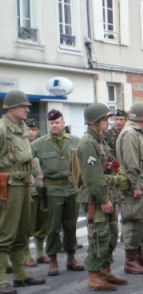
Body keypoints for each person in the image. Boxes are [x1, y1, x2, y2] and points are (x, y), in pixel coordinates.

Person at [0, 91, 46, 294]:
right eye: (23, 106)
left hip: (24, 184)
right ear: (10, 108)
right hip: (8, 185)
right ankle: (1, 278)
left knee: (22, 231)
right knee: (4, 233)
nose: (27, 109)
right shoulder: (2, 129)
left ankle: (20, 274)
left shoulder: (22, 128)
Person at [78, 103, 128, 291]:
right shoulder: (88, 143)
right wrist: (103, 199)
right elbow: (92, 176)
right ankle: (94, 275)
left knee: (112, 234)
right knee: (99, 236)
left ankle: (104, 269)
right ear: (95, 122)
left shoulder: (100, 140)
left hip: (107, 194)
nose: (108, 122)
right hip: (96, 199)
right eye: (105, 119)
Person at [31, 110, 84, 276]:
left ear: (63, 123)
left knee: (70, 225)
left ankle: (71, 258)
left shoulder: (75, 141)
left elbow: (84, 161)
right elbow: (26, 159)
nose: (54, 125)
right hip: (52, 190)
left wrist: (81, 182)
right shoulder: (39, 144)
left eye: (57, 122)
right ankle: (53, 260)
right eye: (51, 123)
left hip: (71, 189)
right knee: (53, 227)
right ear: (48, 124)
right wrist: (36, 173)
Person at [116, 102, 143, 275]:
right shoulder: (130, 134)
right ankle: (130, 260)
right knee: (133, 222)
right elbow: (131, 163)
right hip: (135, 184)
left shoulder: (136, 133)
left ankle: (140, 256)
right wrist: (135, 186)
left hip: (142, 182)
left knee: (142, 221)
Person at [25, 119, 49, 266]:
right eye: (29, 129)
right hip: (28, 189)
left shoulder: (41, 146)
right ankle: (26, 254)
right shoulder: (21, 146)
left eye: (33, 129)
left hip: (41, 189)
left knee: (42, 223)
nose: (31, 132)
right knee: (27, 224)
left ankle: (40, 252)